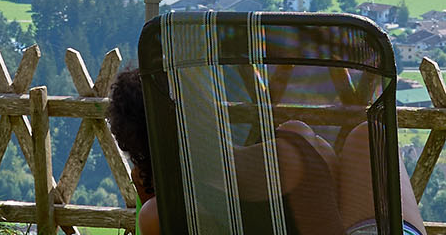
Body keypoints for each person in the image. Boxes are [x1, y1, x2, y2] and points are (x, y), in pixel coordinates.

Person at [106, 69, 426, 235]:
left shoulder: (162, 216)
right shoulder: (294, 149)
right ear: (206, 110)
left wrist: (152, 190)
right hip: (299, 170)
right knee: (369, 136)